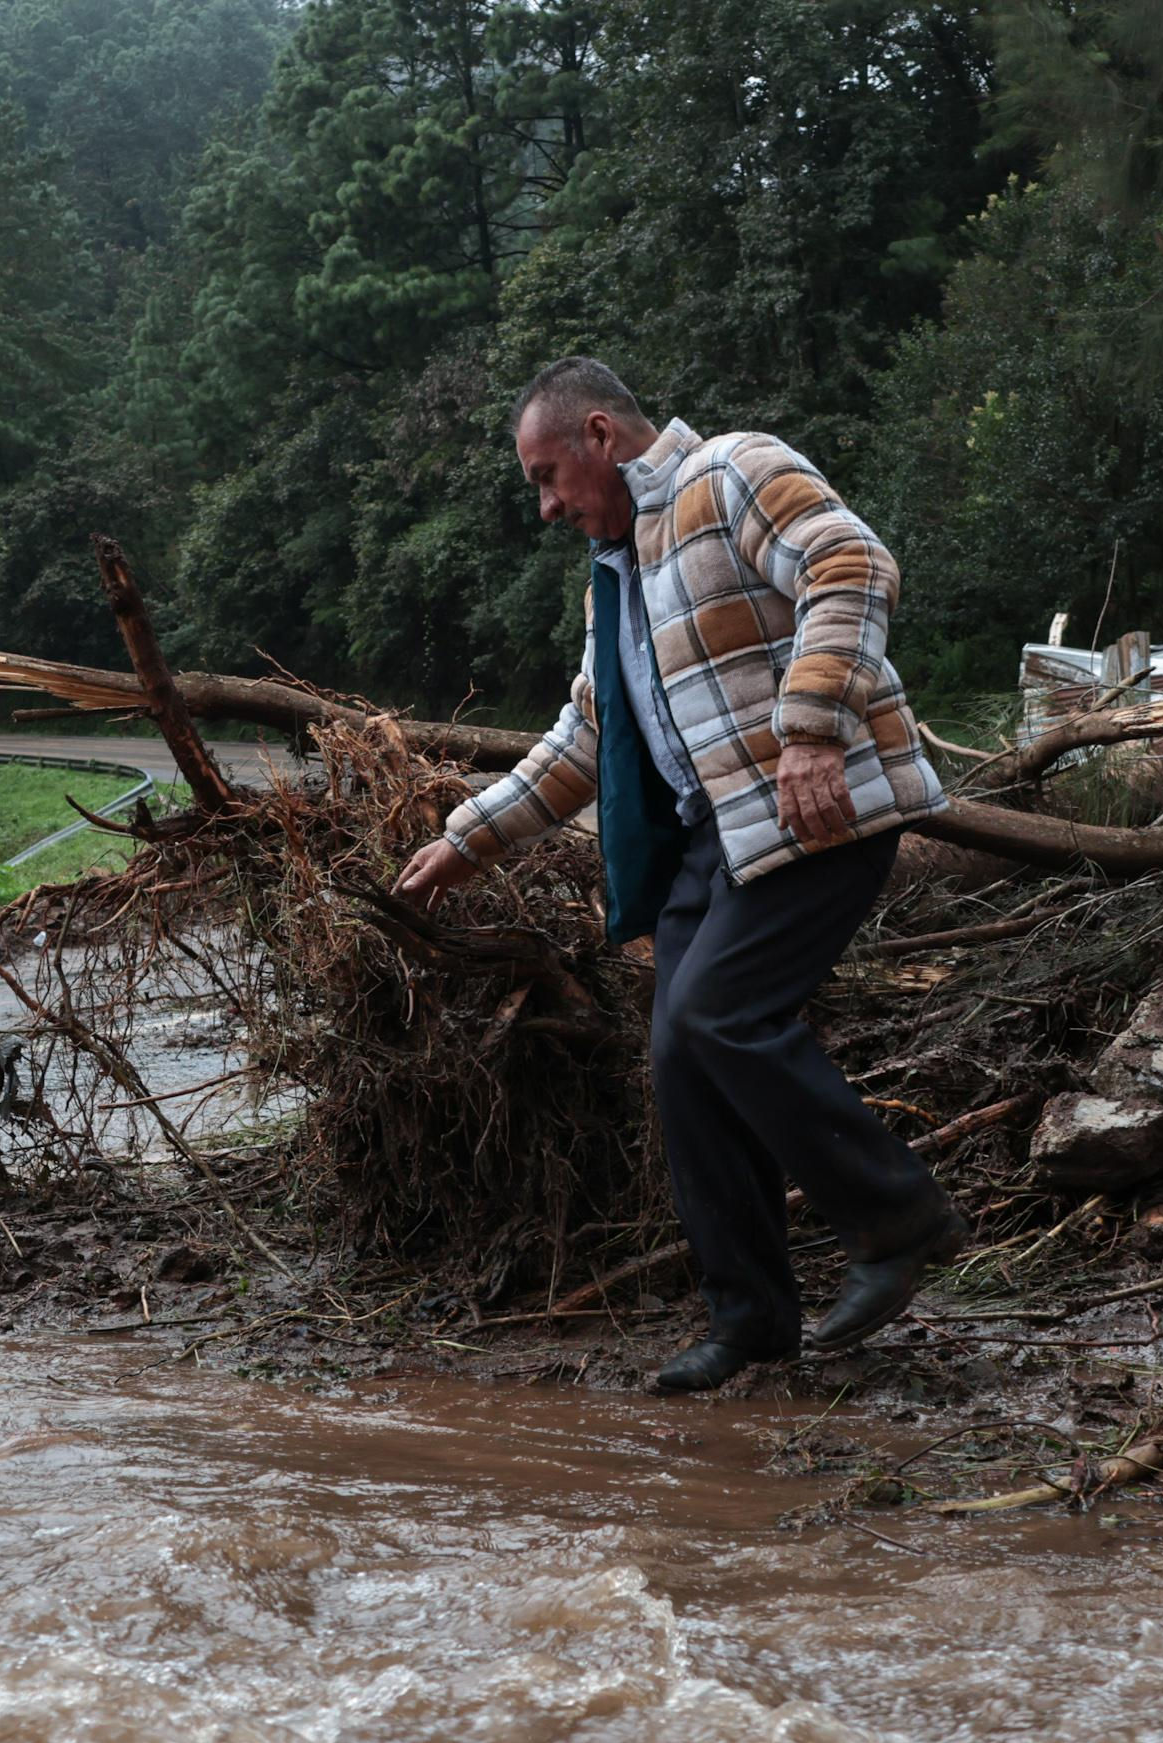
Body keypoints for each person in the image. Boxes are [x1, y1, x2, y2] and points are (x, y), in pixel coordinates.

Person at [394, 358, 968, 1393]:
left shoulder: (732, 471)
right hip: (723, 839)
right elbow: (586, 737)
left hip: (817, 810)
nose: (545, 506)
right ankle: (751, 1320)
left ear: (600, 435)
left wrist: (810, 730)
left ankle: (899, 1217)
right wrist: (468, 837)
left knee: (716, 1012)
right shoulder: (617, 576)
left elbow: (851, 562)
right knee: (681, 1055)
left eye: (546, 476)